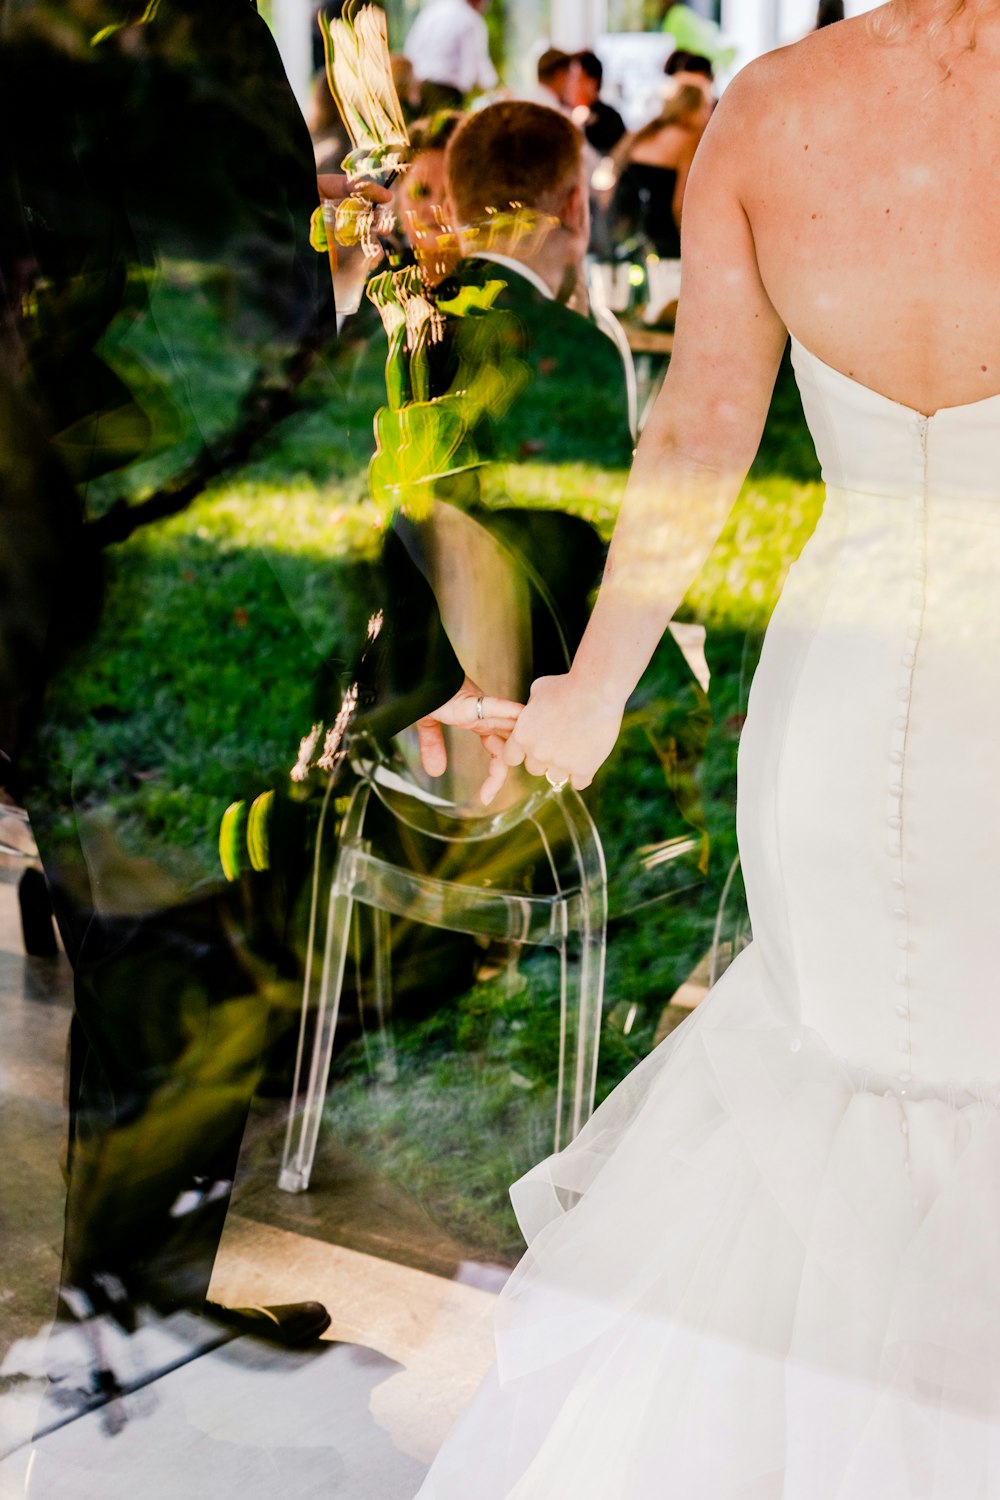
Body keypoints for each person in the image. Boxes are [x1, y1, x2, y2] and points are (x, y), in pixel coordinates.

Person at [414, 0, 1000, 1492]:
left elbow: (695, 434)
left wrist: (590, 696)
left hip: (837, 707)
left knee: (833, 1087)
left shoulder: (774, 106)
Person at [611, 83, 711, 260]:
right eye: (705, 107)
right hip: (664, 241)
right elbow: (681, 205)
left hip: (628, 240)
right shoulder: (690, 139)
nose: (708, 115)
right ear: (691, 109)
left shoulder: (643, 134)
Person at [403, 0, 498, 115]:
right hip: (447, 93)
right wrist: (494, 90)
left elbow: (411, 49)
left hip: (420, 89)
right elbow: (479, 63)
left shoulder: (432, 12)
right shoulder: (471, 20)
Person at [568, 51, 627, 156]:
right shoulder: (564, 113)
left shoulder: (610, 120)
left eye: (576, 79)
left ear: (592, 82)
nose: (570, 85)